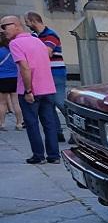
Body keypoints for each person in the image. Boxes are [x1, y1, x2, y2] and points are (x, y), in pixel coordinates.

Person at [1, 16, 59, 164]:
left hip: (31, 91)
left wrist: (28, 90)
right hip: (48, 88)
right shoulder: (38, 41)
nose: (2, 31)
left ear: (15, 25)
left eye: (4, 27)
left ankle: (38, 156)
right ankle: (54, 156)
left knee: (32, 124)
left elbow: (25, 68)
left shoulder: (15, 43)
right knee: (49, 123)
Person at [24, 12, 65, 142]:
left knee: (60, 102)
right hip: (43, 73)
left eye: (27, 21)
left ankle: (76, 129)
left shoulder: (50, 34)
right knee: (49, 104)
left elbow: (47, 53)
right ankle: (58, 132)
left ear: (32, 21)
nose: (26, 24)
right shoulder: (34, 36)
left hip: (56, 72)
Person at [0, 34, 24, 131]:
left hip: (2, 78)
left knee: (2, 103)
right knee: (16, 102)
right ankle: (19, 123)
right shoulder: (14, 50)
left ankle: (2, 124)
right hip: (15, 77)